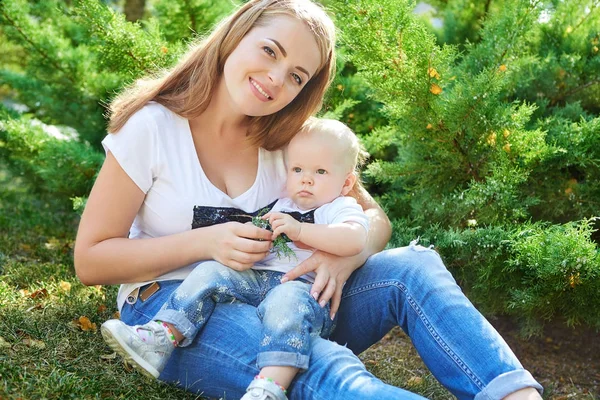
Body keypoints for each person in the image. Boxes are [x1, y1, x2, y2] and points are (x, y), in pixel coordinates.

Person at [74, 0, 544, 399]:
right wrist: (205, 244)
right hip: (177, 308)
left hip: (290, 296)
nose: (276, 79)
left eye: (297, 76)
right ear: (235, 35)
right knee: (321, 367)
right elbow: (91, 260)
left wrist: (345, 256)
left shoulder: (290, 143)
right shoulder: (154, 129)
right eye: (269, 51)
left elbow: (373, 217)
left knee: (414, 269)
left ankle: (513, 392)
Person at [100, 118, 370, 400]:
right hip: (258, 280)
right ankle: (161, 336)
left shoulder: (339, 207)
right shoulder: (283, 202)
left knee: (284, 307)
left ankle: (269, 387)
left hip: (302, 289)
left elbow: (354, 238)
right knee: (212, 272)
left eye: (321, 171)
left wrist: (301, 230)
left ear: (346, 182)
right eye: (297, 169)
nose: (306, 179)